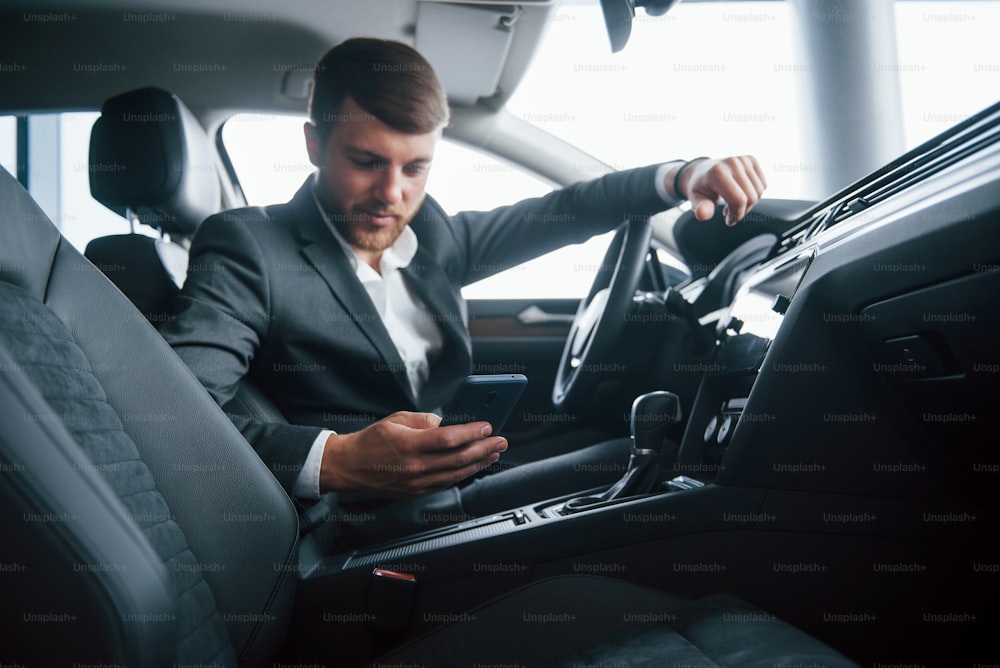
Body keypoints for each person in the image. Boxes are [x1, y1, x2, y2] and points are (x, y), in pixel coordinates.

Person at [160, 37, 766, 525]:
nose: (392, 195)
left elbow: (567, 210)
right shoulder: (249, 247)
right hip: (360, 518)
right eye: (366, 162)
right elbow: (168, 415)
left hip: (461, 472)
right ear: (315, 144)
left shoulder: (433, 233)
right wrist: (335, 462)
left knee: (636, 449)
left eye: (415, 167)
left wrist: (685, 174)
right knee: (657, 466)